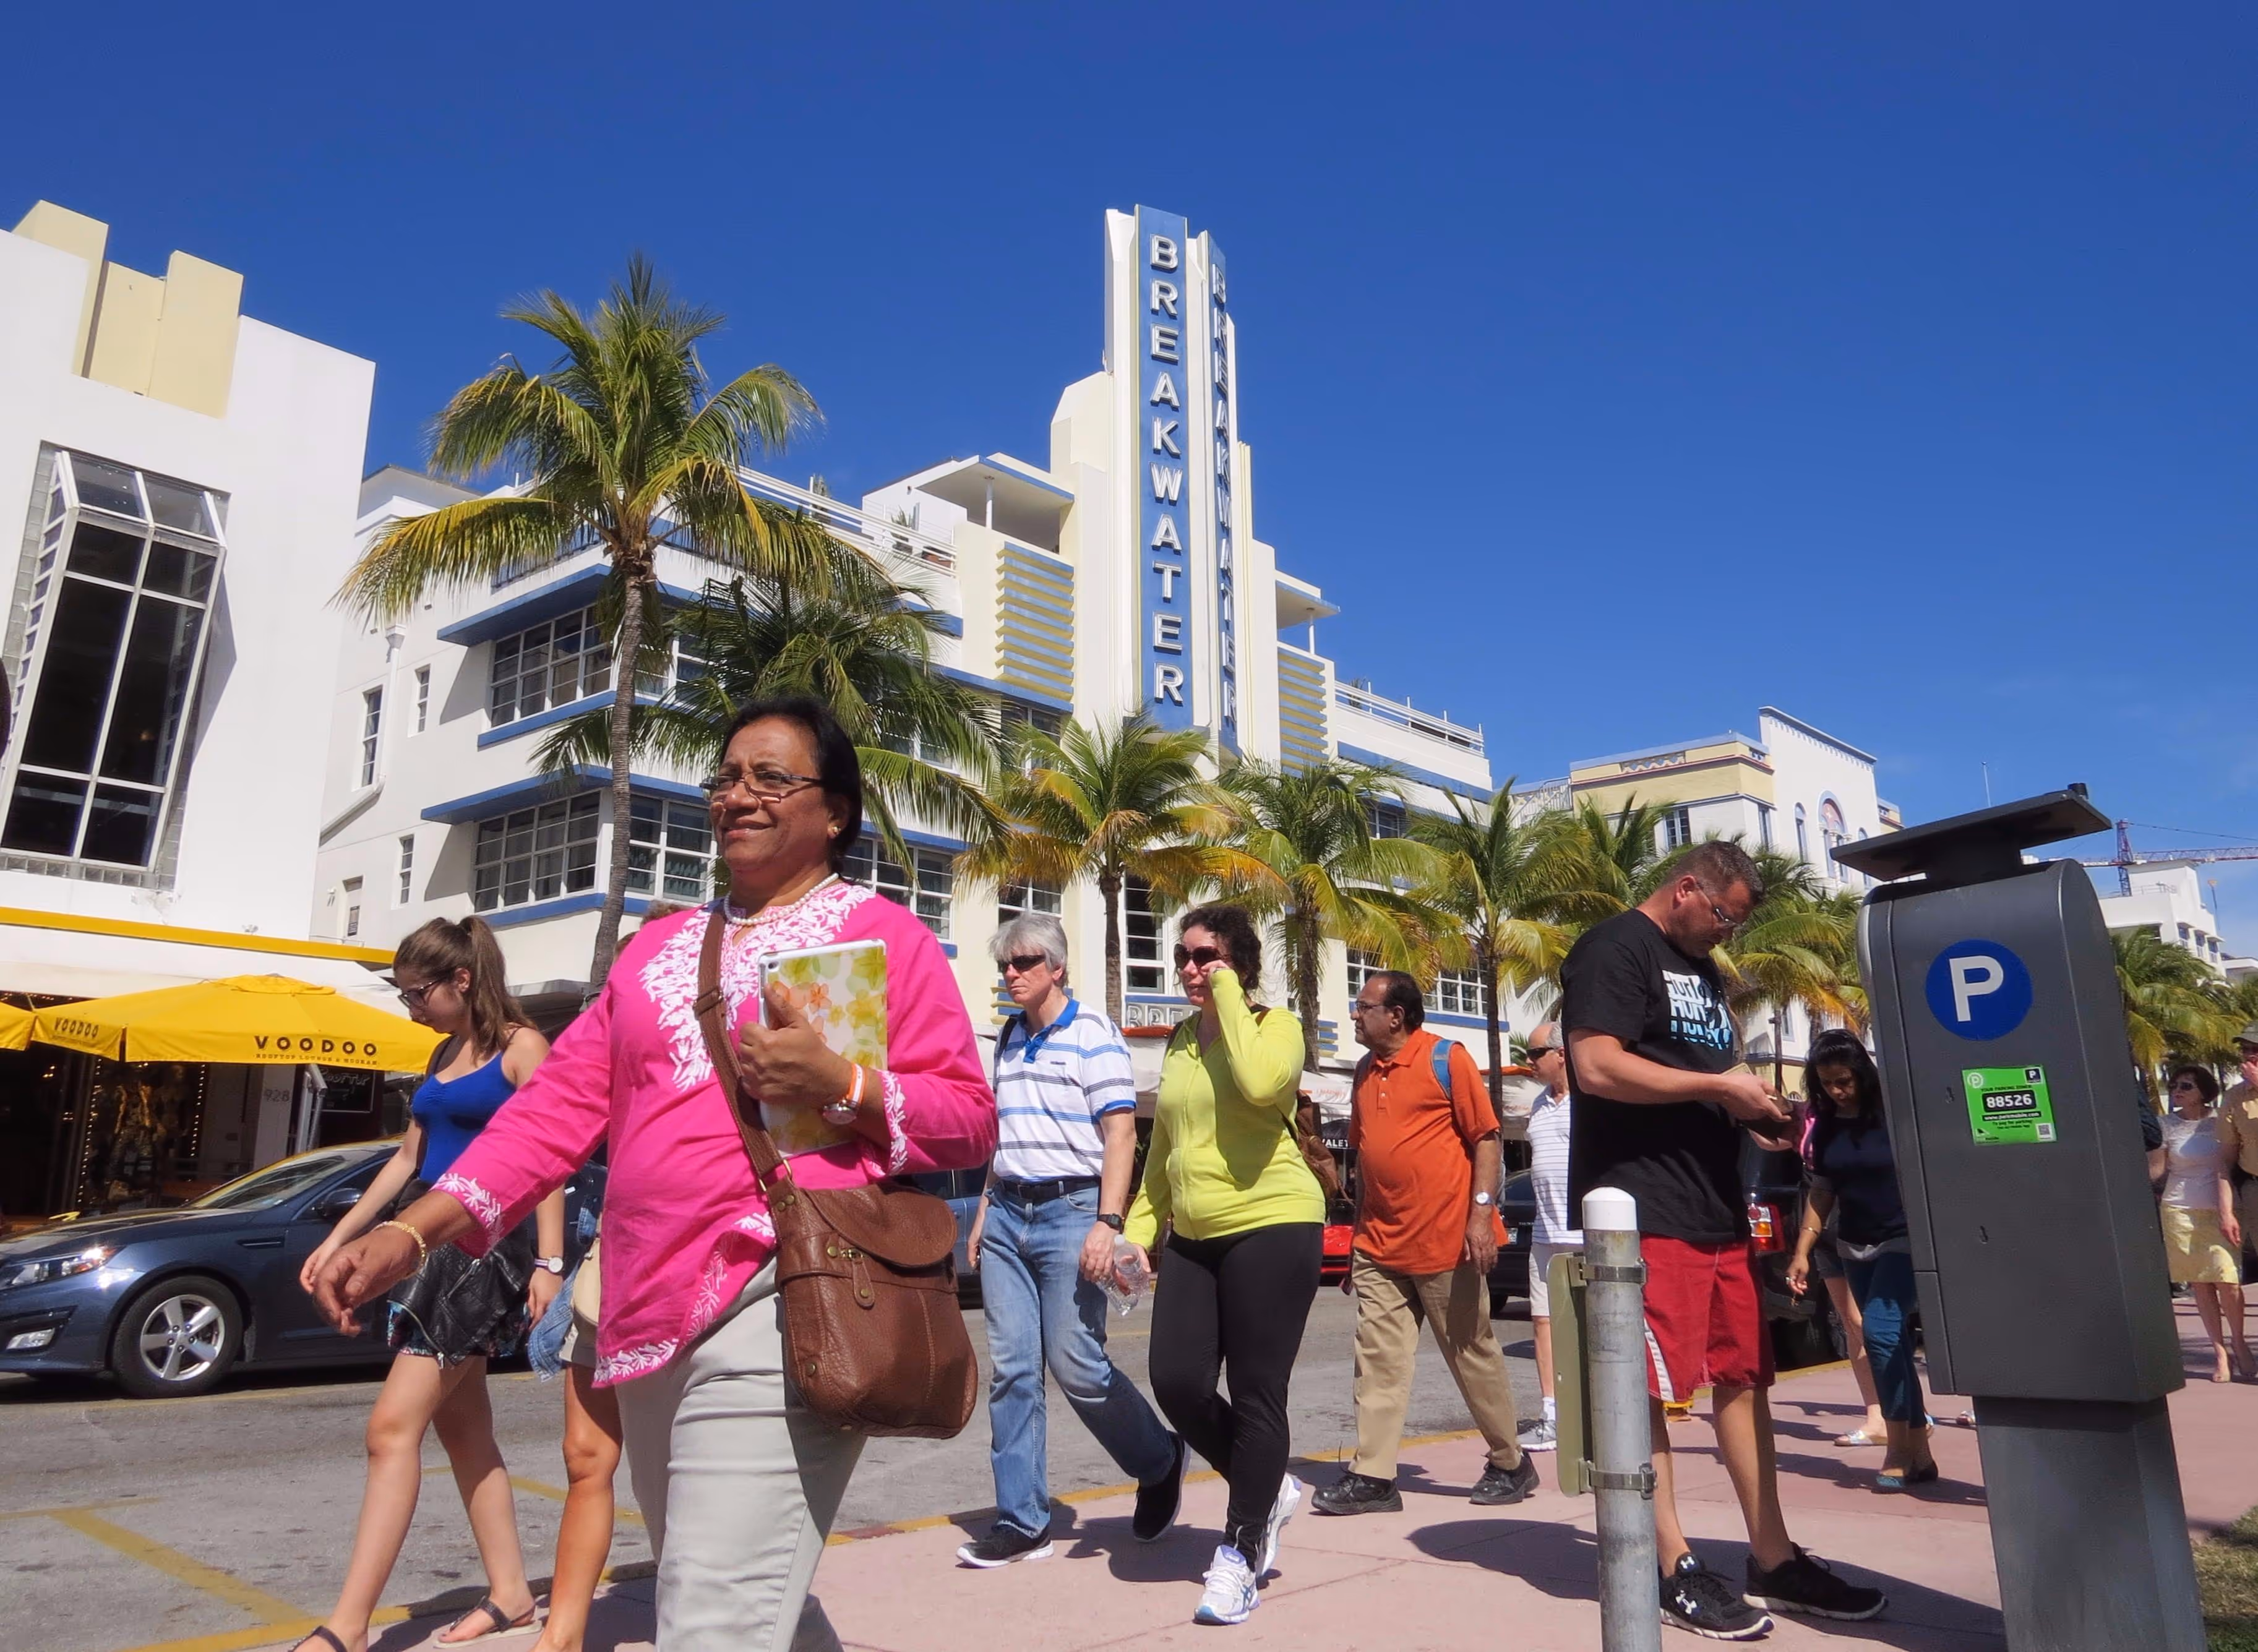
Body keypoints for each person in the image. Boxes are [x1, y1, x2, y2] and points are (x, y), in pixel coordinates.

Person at [311, 695, 996, 1652]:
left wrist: (844, 1082)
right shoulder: (658, 950)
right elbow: (551, 1113)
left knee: (714, 1616)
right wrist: (409, 1229)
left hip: (777, 1287)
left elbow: (968, 1118)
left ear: (833, 811)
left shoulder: (887, 937)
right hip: (640, 1303)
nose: (737, 795)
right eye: (726, 777)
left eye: (770, 777)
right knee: (737, 1594)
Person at [1563, 839, 1886, 1640]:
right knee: (1645, 1388)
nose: (1725, 936)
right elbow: (1596, 1064)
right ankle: (1664, 1557)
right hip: (1643, 1205)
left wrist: (1758, 1114)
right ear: (1685, 890)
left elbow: (1702, 1072)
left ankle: (1771, 1556)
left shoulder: (1701, 972)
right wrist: (1717, 1085)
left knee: (1743, 1376)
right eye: (1722, 917)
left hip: (1715, 1203)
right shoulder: (1614, 948)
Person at [289, 917, 562, 1652]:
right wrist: (341, 1235)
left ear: (461, 981)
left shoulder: (521, 1048)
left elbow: (550, 1155)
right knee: (463, 1430)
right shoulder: (443, 1052)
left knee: (390, 1430)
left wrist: (549, 1261)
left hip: (484, 1250)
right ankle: (511, 1594)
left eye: (418, 992)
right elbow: (408, 1157)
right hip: (427, 1244)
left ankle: (346, 1627)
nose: (411, 1006)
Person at [1115, 904, 1324, 1627]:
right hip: (1194, 1236)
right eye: (1182, 956)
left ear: (1237, 962)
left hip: (1275, 1221)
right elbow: (1162, 1156)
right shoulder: (1175, 1043)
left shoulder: (1275, 1027)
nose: (1188, 968)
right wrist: (1136, 1236)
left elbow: (1265, 1086)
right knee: (1175, 1379)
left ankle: (1238, 1554)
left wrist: (1229, 994)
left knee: (1258, 1391)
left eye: (1205, 955)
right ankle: (1268, 1486)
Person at [957, 911, 1184, 1567]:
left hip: (1071, 1211)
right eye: (1006, 963)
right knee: (1012, 1371)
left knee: (1076, 1365)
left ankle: (1159, 1456)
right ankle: (1022, 1519)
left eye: (1025, 962)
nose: (1011, 973)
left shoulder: (1093, 1034)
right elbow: (1004, 1136)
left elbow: (1121, 1134)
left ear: (1057, 967)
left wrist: (1107, 1223)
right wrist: (981, 1213)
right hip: (1005, 1214)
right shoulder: (1006, 1036)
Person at [1313, 970, 1538, 1515]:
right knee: (1378, 1361)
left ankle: (1511, 1461)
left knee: (1471, 1353)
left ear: (1396, 1014)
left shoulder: (1446, 1058)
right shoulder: (1366, 1070)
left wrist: (1482, 1218)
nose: (1354, 1015)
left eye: (1363, 1006)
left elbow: (1486, 1139)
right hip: (1380, 1246)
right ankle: (1374, 1475)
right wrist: (1358, 1238)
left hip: (1447, 1242)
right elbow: (1368, 1159)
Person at [1785, 1032, 1936, 1490]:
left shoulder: (1894, 1116)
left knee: (1881, 1331)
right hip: (1854, 1244)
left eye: (1844, 1081)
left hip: (1902, 1239)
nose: (1837, 1090)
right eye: (1827, 1083)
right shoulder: (1828, 1123)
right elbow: (1822, 1189)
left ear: (1862, 1074)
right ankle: (1921, 1451)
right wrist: (1801, 1252)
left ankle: (1897, 1445)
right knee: (1890, 1347)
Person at [2155, 1064, 2250, 1382]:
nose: (2178, 1092)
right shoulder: (2165, 1124)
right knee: (2200, 1283)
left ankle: (2239, 1342)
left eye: (2186, 1086)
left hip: (2223, 1209)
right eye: (2175, 1086)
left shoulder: (2221, 1118)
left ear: (2203, 1092)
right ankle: (2220, 1353)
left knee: (2228, 1280)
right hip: (2179, 1209)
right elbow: (2156, 1171)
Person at [1517, 1022, 1581, 1453]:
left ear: (1561, 1053)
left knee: (1595, 1325)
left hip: (1586, 1233)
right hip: (1545, 1233)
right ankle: (1552, 1415)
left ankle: (1598, 1414)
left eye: (1536, 1053)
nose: (1529, 1061)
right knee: (1544, 1321)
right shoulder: (1538, 1104)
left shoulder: (1591, 1101)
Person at [2212, 1022, 2258, 1273]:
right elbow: (2225, 1161)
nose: (2250, 1055)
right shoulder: (2235, 1097)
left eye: (2257, 1049)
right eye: (2245, 1049)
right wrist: (2226, 1212)